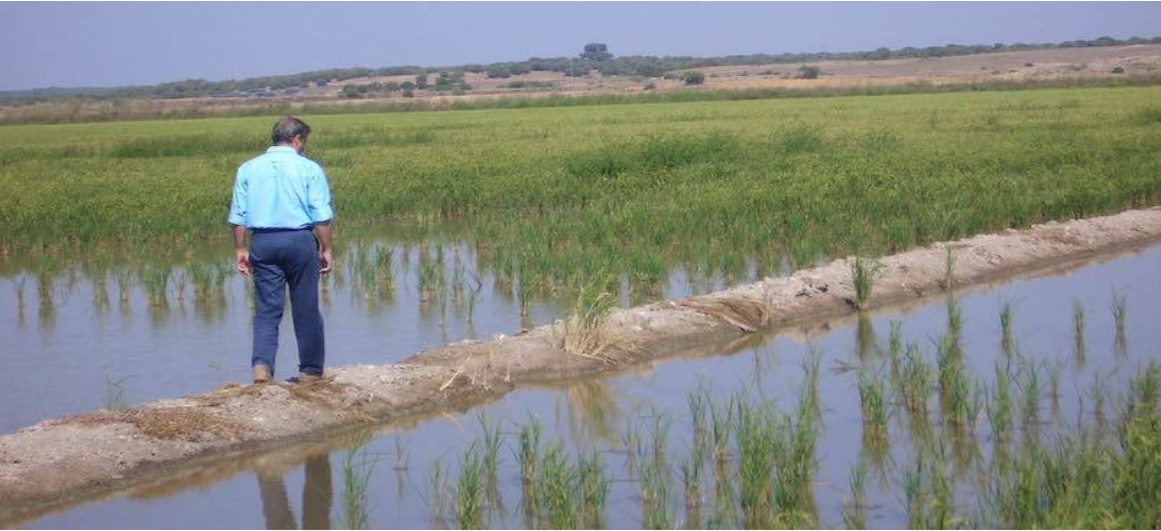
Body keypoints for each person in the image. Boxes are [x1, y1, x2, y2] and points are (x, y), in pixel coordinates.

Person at [228, 116, 334, 384]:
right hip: (299, 240)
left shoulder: (248, 168)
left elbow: (239, 216)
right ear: (296, 139)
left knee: (267, 310)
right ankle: (310, 370)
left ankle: (262, 368)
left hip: (263, 242)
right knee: (305, 307)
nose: (304, 146)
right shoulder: (309, 169)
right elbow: (321, 217)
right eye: (304, 141)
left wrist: (240, 249)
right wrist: (326, 248)